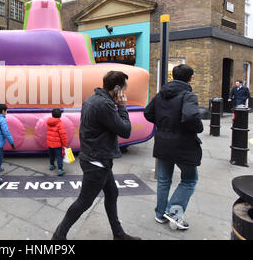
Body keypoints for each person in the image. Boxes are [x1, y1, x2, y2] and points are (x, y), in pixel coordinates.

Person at [52, 71, 141, 240]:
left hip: (96, 157)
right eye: (124, 90)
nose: (125, 94)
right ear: (117, 88)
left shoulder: (92, 99)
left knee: (112, 193)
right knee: (84, 201)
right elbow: (126, 130)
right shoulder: (104, 105)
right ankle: (59, 235)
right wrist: (122, 106)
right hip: (97, 161)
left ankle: (118, 233)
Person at [144, 64, 203, 230]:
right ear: (190, 78)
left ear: (173, 76)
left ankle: (159, 214)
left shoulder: (161, 94)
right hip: (183, 144)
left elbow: (148, 113)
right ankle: (173, 212)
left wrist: (163, 125)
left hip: (163, 143)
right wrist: (199, 128)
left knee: (163, 180)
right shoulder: (188, 95)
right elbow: (191, 116)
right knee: (190, 179)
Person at [46, 108, 68, 176]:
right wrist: (64, 144)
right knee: (59, 156)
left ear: (52, 114)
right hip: (58, 144)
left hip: (50, 143)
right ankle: (60, 170)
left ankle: (52, 165)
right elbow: (63, 135)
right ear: (60, 115)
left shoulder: (49, 122)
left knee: (51, 155)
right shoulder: (60, 124)